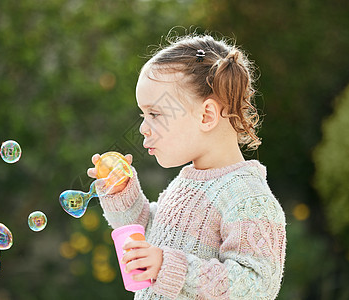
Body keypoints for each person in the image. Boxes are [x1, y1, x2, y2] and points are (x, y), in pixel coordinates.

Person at [87, 33, 286, 300]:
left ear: (206, 116)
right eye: (143, 115)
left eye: (155, 114)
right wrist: (122, 193)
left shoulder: (247, 198)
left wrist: (168, 266)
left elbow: (255, 287)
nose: (143, 129)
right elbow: (148, 238)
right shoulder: (187, 183)